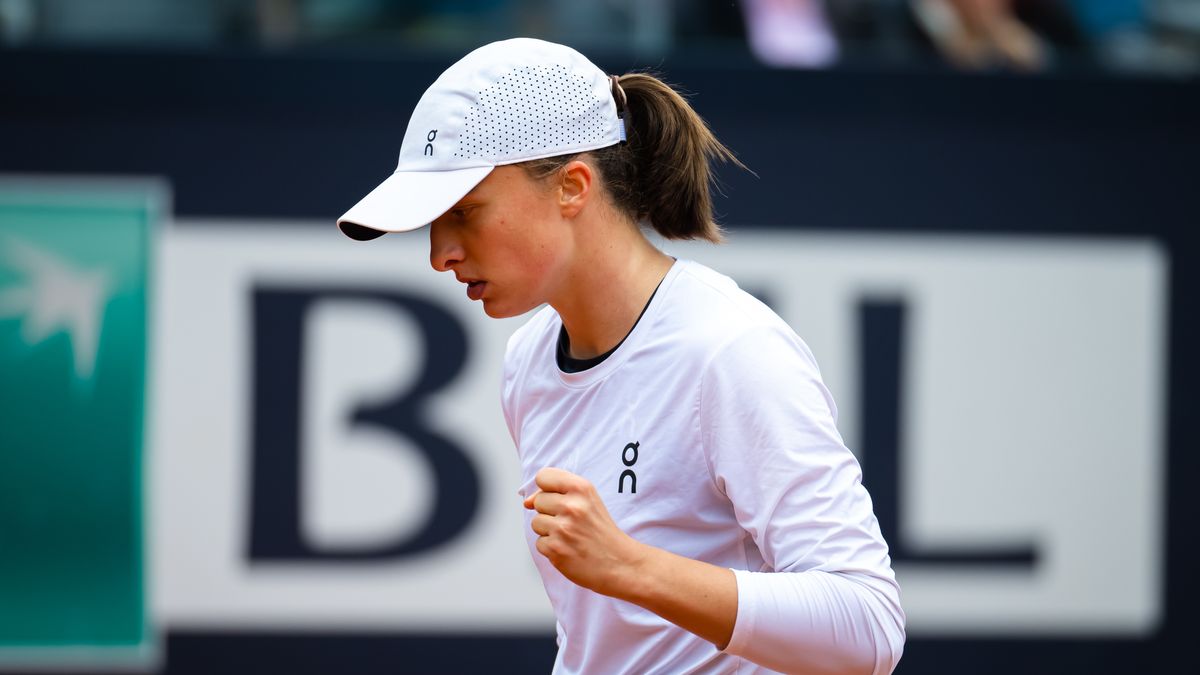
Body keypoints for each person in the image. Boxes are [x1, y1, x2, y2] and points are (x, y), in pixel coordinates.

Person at [337, 37, 905, 675]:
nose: (440, 253)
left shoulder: (730, 349)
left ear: (572, 187)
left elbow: (868, 627)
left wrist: (630, 566)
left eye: (465, 212)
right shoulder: (528, 360)